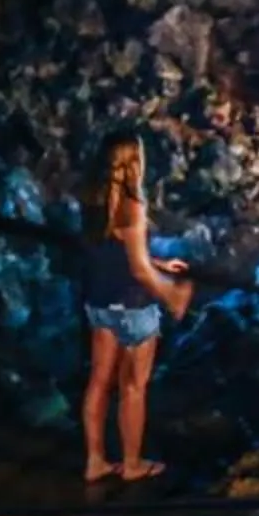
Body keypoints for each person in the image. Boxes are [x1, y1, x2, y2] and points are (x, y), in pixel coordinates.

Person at [76, 131, 193, 482]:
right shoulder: (132, 205)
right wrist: (172, 293)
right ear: (135, 163)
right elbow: (138, 270)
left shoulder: (92, 196)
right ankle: (132, 464)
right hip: (133, 307)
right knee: (133, 386)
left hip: (99, 300)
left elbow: (121, 252)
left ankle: (95, 462)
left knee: (98, 381)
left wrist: (158, 263)